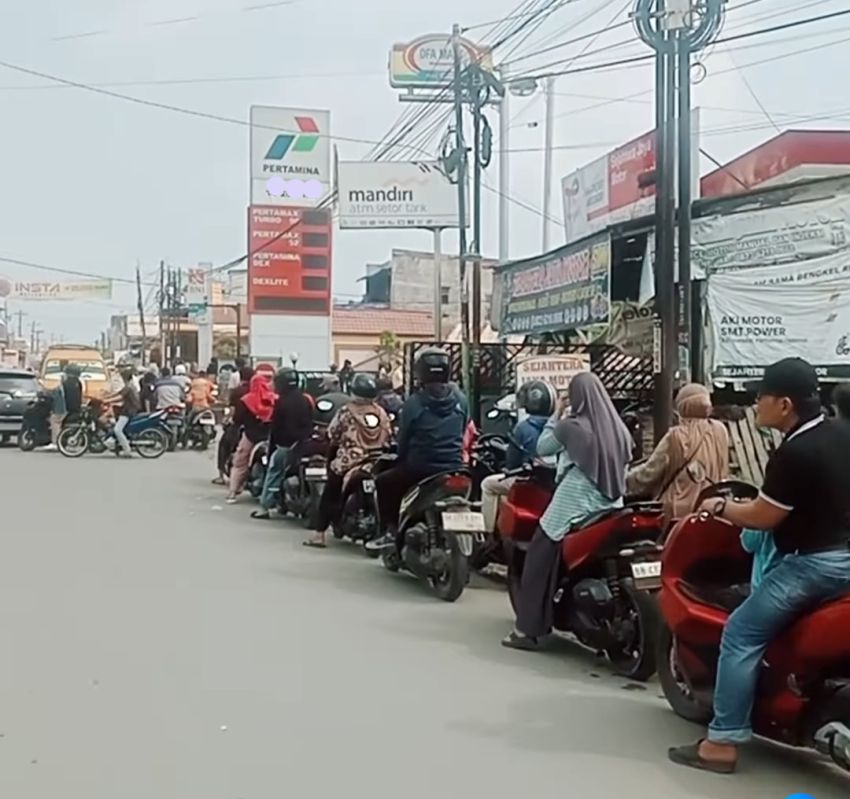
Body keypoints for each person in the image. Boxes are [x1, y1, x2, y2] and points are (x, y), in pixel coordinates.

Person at [669, 358, 850, 774]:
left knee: (740, 633)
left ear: (784, 404)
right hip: (844, 559)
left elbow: (763, 517)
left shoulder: (795, 452)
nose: (755, 403)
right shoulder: (841, 433)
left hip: (810, 567)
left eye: (761, 396)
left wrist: (721, 506)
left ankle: (722, 742)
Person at [502, 372, 633, 651]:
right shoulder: (618, 428)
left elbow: (542, 447)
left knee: (539, 552)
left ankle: (527, 630)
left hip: (575, 500)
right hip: (611, 504)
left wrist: (557, 413)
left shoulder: (571, 426)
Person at [368, 348, 468, 550]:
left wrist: (400, 457)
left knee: (384, 482)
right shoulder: (461, 400)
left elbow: (403, 439)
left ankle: (390, 531)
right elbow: (464, 427)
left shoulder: (414, 403)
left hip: (420, 468)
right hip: (454, 466)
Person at [304, 373, 392, 548]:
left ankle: (319, 534)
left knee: (330, 492)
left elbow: (333, 434)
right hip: (377, 459)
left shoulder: (346, 411)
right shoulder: (380, 412)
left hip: (350, 459)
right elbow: (389, 432)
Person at [626, 383, 730, 524]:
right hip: (712, 508)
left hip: (678, 514)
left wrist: (624, 481)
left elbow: (650, 473)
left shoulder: (676, 436)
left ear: (682, 407)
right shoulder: (720, 430)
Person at [480, 380, 555, 533]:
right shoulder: (558, 426)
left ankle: (487, 533)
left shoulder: (523, 427)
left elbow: (512, 463)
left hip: (528, 481)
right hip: (552, 482)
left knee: (488, 484)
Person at [252, 368, 314, 520]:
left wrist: (273, 447)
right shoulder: (305, 399)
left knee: (274, 472)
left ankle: (264, 507)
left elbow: (276, 427)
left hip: (286, 445)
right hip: (306, 444)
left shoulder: (282, 402)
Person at [226, 374, 276, 504]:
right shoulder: (274, 399)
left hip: (250, 436)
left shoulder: (246, 400)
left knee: (240, 462)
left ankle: (233, 492)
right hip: (271, 437)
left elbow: (237, 419)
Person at [213, 365, 254, 486]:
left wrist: (227, 420)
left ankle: (221, 475)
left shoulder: (238, 391)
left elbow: (232, 409)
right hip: (256, 427)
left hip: (239, 425)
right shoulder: (257, 389)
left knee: (223, 445)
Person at [41, 364, 86, 451]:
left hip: (66, 409)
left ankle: (55, 442)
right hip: (76, 408)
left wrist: (45, 390)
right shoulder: (78, 383)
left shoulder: (66, 383)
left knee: (54, 420)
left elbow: (57, 393)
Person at [111, 367, 141, 458]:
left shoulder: (128, 387)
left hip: (128, 411)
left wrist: (108, 400)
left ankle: (127, 450)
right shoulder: (130, 386)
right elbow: (118, 393)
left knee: (117, 430)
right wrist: (106, 396)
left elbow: (120, 397)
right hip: (129, 409)